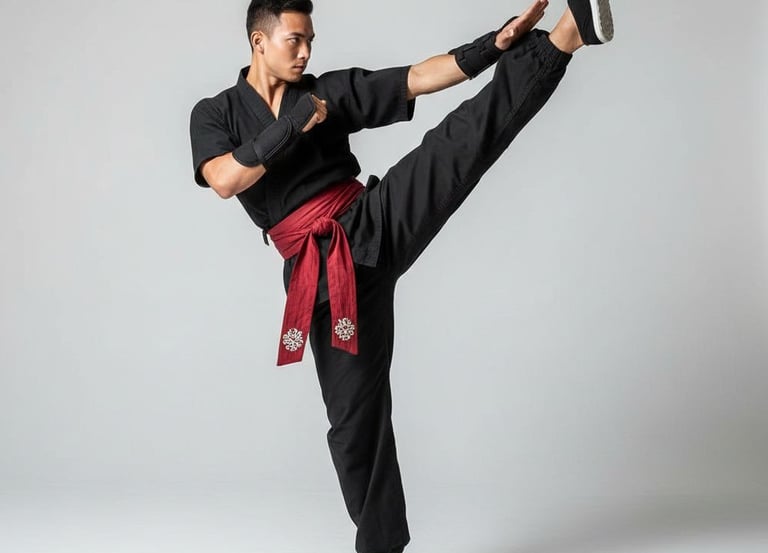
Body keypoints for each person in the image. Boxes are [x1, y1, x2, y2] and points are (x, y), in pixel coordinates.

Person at [189, 0, 614, 551]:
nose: (306, 51)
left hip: (374, 222)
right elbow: (225, 179)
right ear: (258, 41)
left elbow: (414, 79)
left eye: (310, 39)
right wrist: (292, 126)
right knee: (353, 428)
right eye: (295, 39)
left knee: (458, 143)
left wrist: (490, 46)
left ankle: (566, 36)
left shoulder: (325, 92)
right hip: (321, 275)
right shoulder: (215, 113)